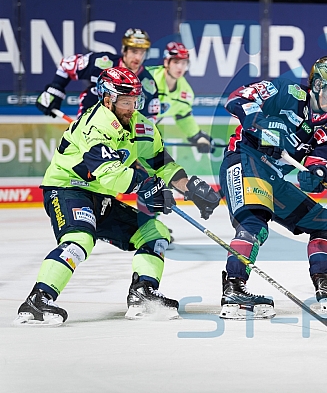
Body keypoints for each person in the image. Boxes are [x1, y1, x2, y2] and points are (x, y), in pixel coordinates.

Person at [14, 67, 221, 326]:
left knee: (155, 232)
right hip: (68, 188)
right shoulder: (96, 124)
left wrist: (189, 187)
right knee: (80, 238)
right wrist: (148, 186)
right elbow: (109, 175)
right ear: (107, 99)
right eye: (125, 101)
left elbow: (162, 164)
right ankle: (38, 300)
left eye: (135, 100)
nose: (131, 107)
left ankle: (143, 293)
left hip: (101, 197)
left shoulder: (141, 125)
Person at [218, 56, 327, 320]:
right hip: (244, 160)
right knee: (253, 222)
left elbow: (321, 164)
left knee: (324, 223)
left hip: (272, 178)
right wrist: (259, 125)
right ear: (318, 84)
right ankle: (234, 289)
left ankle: (325, 284)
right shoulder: (285, 92)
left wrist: (317, 175)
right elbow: (237, 99)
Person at [35, 28, 162, 119]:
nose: (138, 58)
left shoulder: (148, 85)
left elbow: (150, 118)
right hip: (88, 122)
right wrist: (53, 92)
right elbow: (67, 66)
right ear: (124, 50)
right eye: (134, 51)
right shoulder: (102, 63)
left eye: (142, 52)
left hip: (123, 137)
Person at [147, 41, 216, 154]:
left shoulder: (186, 93)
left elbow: (183, 116)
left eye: (184, 63)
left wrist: (198, 136)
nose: (180, 67)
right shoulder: (147, 78)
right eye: (176, 62)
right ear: (166, 62)